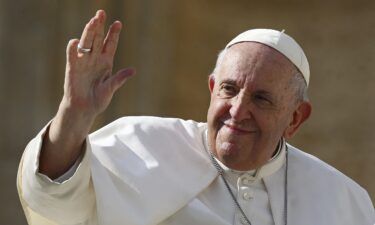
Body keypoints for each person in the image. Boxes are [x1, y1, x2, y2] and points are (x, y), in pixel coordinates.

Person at [17, 9, 375, 225]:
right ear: (211, 87)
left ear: (296, 119)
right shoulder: (142, 144)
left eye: (261, 99)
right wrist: (74, 115)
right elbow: (52, 202)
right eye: (229, 90)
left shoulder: (342, 202)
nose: (238, 111)